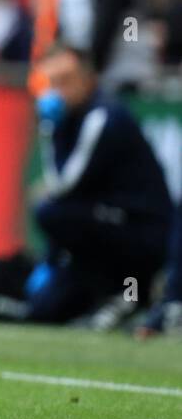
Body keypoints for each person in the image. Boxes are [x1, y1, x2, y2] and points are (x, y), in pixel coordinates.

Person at [24, 43, 173, 326]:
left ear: (88, 79)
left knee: (50, 212)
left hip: (142, 229)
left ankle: (127, 289)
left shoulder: (102, 116)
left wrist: (47, 128)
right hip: (103, 220)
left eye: (65, 81)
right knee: (45, 308)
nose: (57, 91)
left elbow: (63, 183)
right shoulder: (71, 116)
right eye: (52, 83)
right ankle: (94, 287)